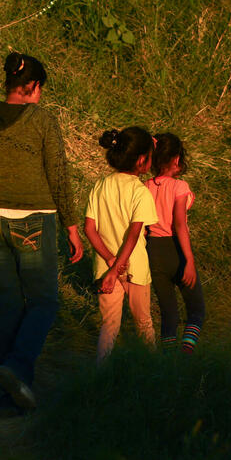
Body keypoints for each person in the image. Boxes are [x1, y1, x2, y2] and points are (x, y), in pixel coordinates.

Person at [0, 52, 84, 413]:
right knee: (44, 303)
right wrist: (71, 227)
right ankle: (16, 369)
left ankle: (10, 397)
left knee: (8, 306)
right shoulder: (42, 120)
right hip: (33, 219)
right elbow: (58, 175)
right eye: (40, 88)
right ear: (33, 86)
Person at [84, 127, 158, 363]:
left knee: (109, 326)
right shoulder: (141, 192)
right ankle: (154, 370)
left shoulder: (100, 185)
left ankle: (99, 373)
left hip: (106, 267)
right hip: (134, 266)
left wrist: (110, 262)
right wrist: (118, 269)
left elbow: (89, 229)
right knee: (144, 322)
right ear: (141, 161)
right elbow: (134, 235)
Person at [146, 133, 205, 353]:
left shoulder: (145, 186)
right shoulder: (179, 187)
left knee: (168, 313)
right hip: (176, 250)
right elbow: (179, 224)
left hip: (153, 250)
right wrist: (189, 260)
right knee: (197, 310)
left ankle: (168, 359)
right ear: (176, 159)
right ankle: (187, 351)